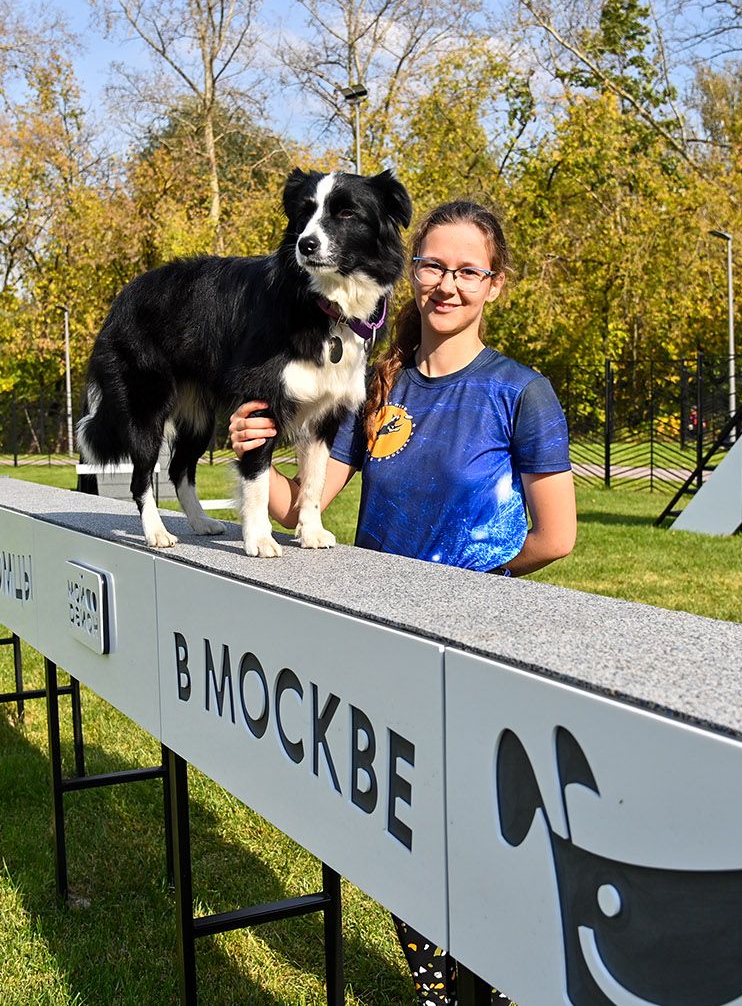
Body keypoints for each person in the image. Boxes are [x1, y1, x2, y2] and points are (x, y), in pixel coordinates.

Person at [228, 198, 576, 1004]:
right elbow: (308, 505)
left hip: (480, 643)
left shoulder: (520, 393)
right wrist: (261, 454)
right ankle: (435, 989)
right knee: (404, 833)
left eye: (467, 271)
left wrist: (464, 579)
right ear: (407, 267)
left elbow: (555, 536)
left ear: (495, 284)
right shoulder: (372, 377)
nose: (446, 285)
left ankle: (495, 985)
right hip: (385, 647)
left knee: (486, 840)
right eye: (433, 265)